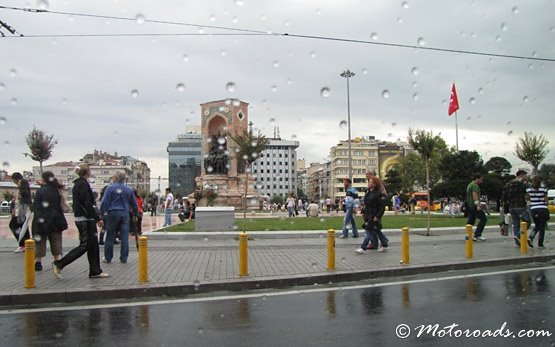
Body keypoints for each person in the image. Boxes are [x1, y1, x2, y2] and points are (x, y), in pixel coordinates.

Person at [52, 164, 108, 279]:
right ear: (87, 172)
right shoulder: (82, 184)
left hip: (85, 218)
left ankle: (95, 271)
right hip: (85, 219)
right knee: (85, 245)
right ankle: (60, 263)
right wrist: (98, 218)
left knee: (93, 246)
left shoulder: (79, 183)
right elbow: (87, 204)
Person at [31, 172, 68, 272]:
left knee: (40, 241)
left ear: (43, 179)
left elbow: (35, 207)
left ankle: (38, 263)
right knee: (56, 241)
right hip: (56, 220)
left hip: (42, 220)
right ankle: (57, 262)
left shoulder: (40, 191)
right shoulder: (57, 190)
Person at [100, 170, 138, 264]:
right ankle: (123, 258)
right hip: (125, 213)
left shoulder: (110, 188)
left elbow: (104, 202)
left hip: (112, 213)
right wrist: (135, 215)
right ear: (124, 178)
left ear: (115, 177)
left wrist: (101, 214)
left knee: (110, 235)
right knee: (125, 236)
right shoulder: (129, 189)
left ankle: (108, 257)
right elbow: (134, 204)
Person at [356, 176, 388, 253]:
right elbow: (366, 204)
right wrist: (363, 212)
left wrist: (378, 216)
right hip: (368, 215)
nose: (369, 183)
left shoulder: (378, 194)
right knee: (377, 231)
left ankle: (363, 248)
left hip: (374, 216)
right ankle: (384, 243)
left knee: (368, 231)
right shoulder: (368, 192)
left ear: (374, 184)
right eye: (369, 181)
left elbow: (381, 207)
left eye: (370, 182)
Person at [502, 170, 530, 247]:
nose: (526, 177)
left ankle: (517, 241)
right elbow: (527, 195)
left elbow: (504, 197)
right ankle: (518, 235)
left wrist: (505, 209)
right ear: (521, 175)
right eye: (525, 175)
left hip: (511, 207)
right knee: (527, 221)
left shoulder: (507, 184)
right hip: (520, 206)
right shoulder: (522, 185)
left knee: (516, 223)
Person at [8, 172, 32, 253]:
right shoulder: (20, 186)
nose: (14, 182)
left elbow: (26, 194)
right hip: (21, 208)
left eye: (14, 180)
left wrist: (20, 192)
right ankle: (26, 244)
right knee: (23, 226)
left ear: (16, 179)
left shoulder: (23, 182)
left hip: (23, 208)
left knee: (15, 225)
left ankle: (23, 244)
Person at [526, 175, 549, 248]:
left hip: (534, 209)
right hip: (543, 208)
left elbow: (528, 199)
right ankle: (540, 243)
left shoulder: (529, 190)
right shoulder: (544, 189)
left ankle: (530, 237)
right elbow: (546, 200)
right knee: (542, 227)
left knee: (537, 226)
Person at [465, 173, 487, 241]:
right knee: (483, 219)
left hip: (469, 205)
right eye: (480, 179)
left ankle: (468, 235)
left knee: (471, 220)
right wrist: (478, 205)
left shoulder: (469, 185)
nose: (481, 181)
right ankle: (477, 234)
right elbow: (475, 196)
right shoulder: (475, 186)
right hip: (474, 205)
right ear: (477, 179)